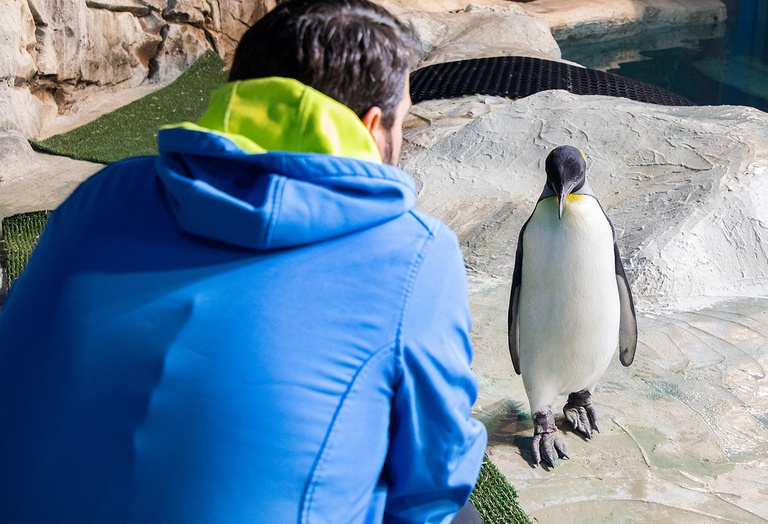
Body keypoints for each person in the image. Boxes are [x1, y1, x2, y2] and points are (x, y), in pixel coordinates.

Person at [0, 0, 488, 522]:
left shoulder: (104, 195)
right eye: (403, 117)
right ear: (373, 128)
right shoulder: (412, 253)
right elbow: (435, 483)